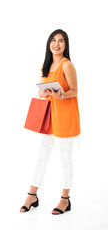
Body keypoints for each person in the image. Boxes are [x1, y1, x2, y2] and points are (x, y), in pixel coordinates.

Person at [20, 29, 81, 215]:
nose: (57, 43)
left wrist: (60, 95)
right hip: (50, 116)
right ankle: (32, 195)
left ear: (66, 45)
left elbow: (74, 91)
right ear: (49, 44)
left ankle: (65, 199)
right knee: (42, 156)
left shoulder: (67, 65)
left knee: (65, 157)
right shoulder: (45, 65)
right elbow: (40, 90)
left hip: (65, 115)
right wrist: (44, 92)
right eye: (53, 40)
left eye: (61, 41)